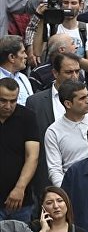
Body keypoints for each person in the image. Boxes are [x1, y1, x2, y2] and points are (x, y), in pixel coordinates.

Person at [0, 76, 39, 223]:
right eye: (3, 100)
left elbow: (32, 156)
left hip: (20, 201)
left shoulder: (27, 117)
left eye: (13, 101)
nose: (8, 106)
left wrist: (19, 188)